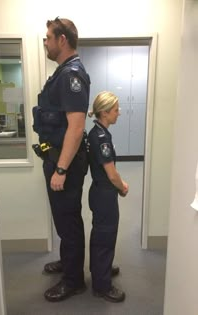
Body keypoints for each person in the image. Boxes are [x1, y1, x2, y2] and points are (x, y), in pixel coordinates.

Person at [33, 17, 91, 302]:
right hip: (56, 159)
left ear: (62, 40)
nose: (45, 42)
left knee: (68, 221)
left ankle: (73, 280)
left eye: (48, 37)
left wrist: (61, 168)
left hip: (64, 163)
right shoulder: (61, 73)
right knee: (63, 218)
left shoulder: (71, 75)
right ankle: (68, 263)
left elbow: (76, 127)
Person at [87, 91, 129, 302]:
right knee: (105, 237)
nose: (118, 113)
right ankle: (102, 286)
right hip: (105, 194)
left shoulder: (98, 131)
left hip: (99, 192)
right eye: (115, 110)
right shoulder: (101, 137)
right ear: (104, 113)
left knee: (100, 235)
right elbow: (111, 174)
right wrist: (122, 187)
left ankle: (100, 270)